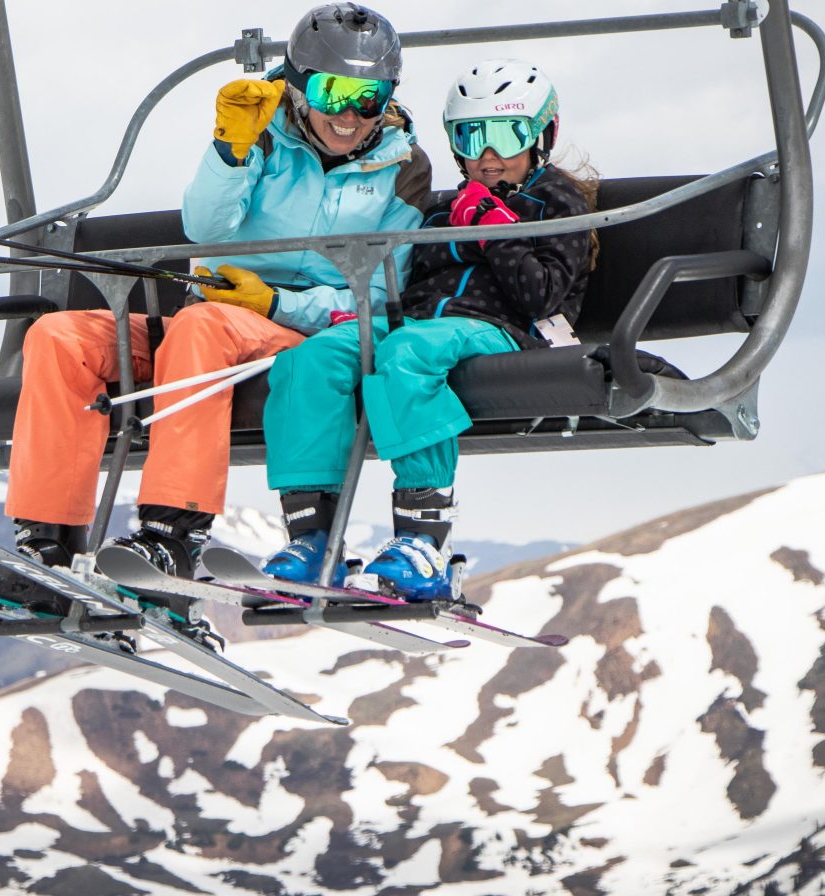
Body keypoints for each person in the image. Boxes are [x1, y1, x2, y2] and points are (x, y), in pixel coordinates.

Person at [0, 2, 432, 632]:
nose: (350, 114)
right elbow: (206, 232)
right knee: (59, 336)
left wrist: (275, 303)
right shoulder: (264, 132)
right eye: (333, 91)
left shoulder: (404, 171)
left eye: (370, 97)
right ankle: (47, 545)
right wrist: (229, 150)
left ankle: (172, 537)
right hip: (209, 315)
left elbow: (380, 296)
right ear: (296, 84)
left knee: (202, 327)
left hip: (305, 330)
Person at [256, 58, 599, 601]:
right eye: (470, 136)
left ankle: (422, 540)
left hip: (500, 329)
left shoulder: (555, 201)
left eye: (505, 135)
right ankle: (311, 538)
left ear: (541, 135)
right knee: (311, 358)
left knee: (408, 352)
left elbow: (541, 294)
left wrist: (493, 226)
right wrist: (364, 315)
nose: (486, 157)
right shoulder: (443, 211)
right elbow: (407, 280)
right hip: (417, 324)